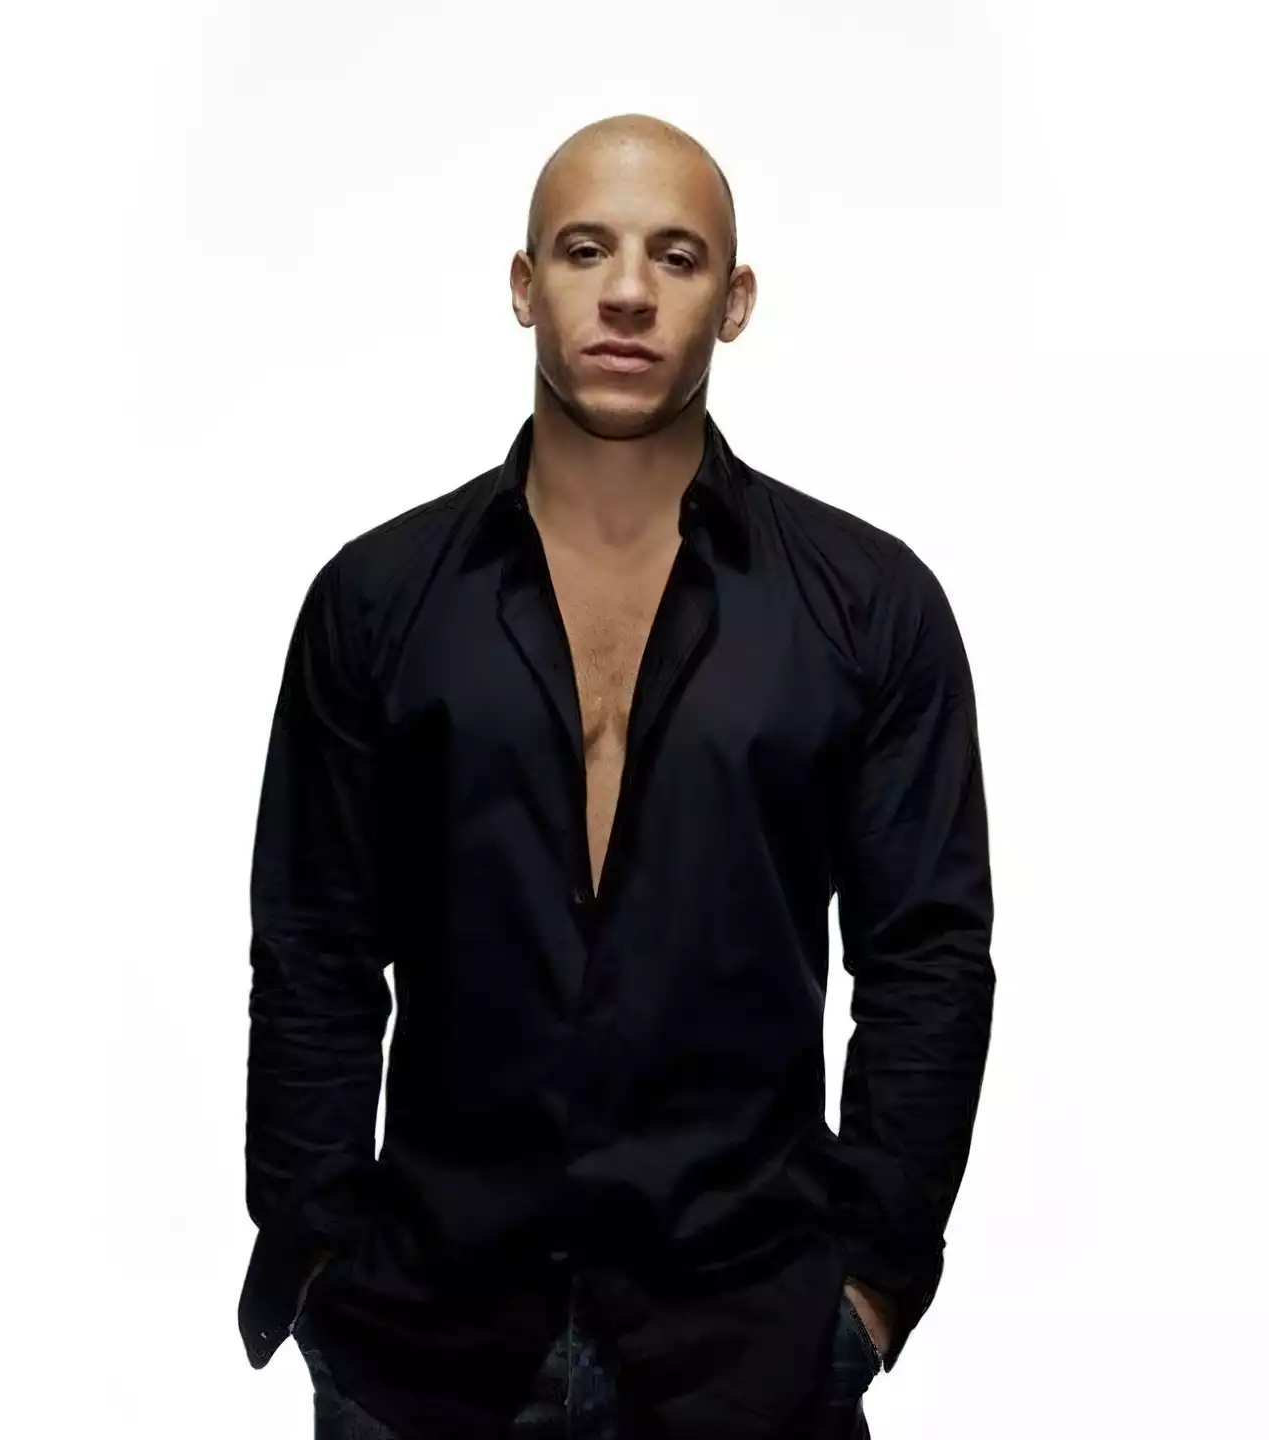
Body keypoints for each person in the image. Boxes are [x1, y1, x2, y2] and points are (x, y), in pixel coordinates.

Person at [238, 113, 996, 1439]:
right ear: (524, 284)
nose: (630, 291)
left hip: (750, 1346)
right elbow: (313, 948)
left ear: (735, 300)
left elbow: (927, 953)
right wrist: (316, 1256)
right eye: (586, 250)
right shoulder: (376, 599)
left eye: (677, 256)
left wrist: (872, 1286)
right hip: (423, 1342)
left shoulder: (870, 606)